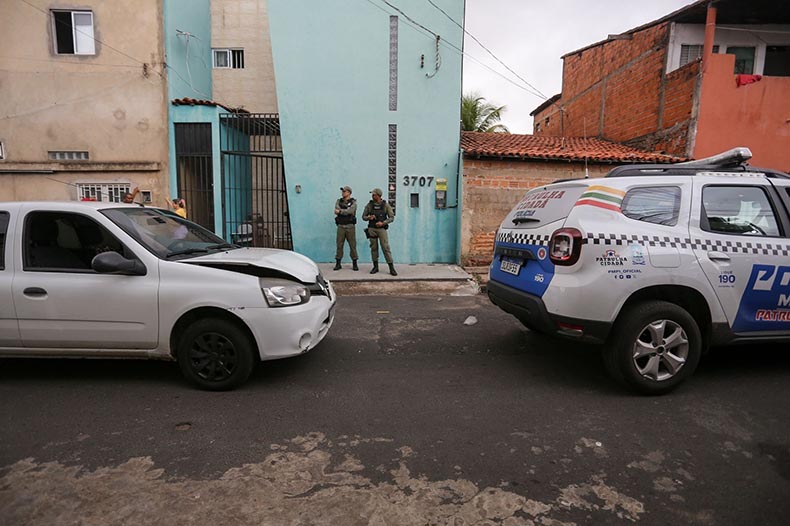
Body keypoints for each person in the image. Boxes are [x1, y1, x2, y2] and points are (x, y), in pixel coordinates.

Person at [362, 187, 396, 276]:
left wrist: (383, 223)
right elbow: (363, 217)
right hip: (372, 229)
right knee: (373, 248)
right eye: (372, 195)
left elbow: (391, 217)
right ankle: (375, 266)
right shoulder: (369, 205)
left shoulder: (385, 205)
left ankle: (391, 267)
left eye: (374, 195)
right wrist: (369, 217)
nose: (372, 196)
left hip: (381, 229)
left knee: (385, 248)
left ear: (379, 195)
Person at [333, 185, 358, 271]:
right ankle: (338, 263)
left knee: (352, 245)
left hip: (350, 226)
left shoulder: (353, 202)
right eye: (342, 191)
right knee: (339, 245)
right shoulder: (338, 201)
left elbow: (350, 211)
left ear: (349, 193)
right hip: (341, 226)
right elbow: (336, 210)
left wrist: (340, 211)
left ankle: (355, 263)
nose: (343, 193)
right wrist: (342, 212)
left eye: (344, 191)